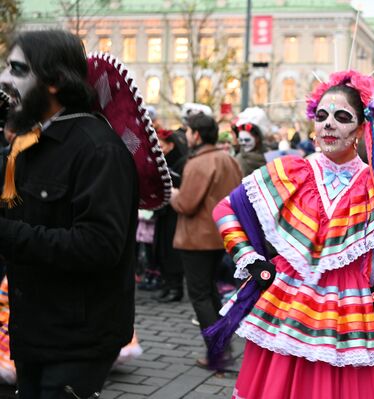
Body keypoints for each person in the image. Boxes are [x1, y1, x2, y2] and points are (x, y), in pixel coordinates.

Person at [208, 70, 374, 398]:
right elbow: (225, 211)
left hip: (350, 313)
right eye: (321, 116)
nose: (329, 124)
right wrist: (248, 258)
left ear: (363, 128)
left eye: (341, 116)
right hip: (287, 307)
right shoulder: (289, 172)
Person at [0, 30, 138, 397]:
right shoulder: (30, 143)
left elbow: (98, 246)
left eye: (17, 69)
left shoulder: (98, 149)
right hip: (32, 329)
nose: (3, 78)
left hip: (77, 338)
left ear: (56, 81)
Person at [170, 112, 242, 366]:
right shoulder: (228, 159)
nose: (187, 135)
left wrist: (173, 194)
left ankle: (218, 351)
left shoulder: (198, 163)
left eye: (189, 131)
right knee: (210, 293)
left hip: (196, 240)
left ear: (197, 134)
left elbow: (186, 204)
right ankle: (223, 346)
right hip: (220, 236)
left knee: (200, 296)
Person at [152, 128, 186, 303]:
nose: (158, 147)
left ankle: (176, 287)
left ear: (171, 145)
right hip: (163, 210)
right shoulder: (161, 159)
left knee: (172, 250)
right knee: (161, 248)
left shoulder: (180, 161)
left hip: (174, 212)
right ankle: (166, 284)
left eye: (161, 144)